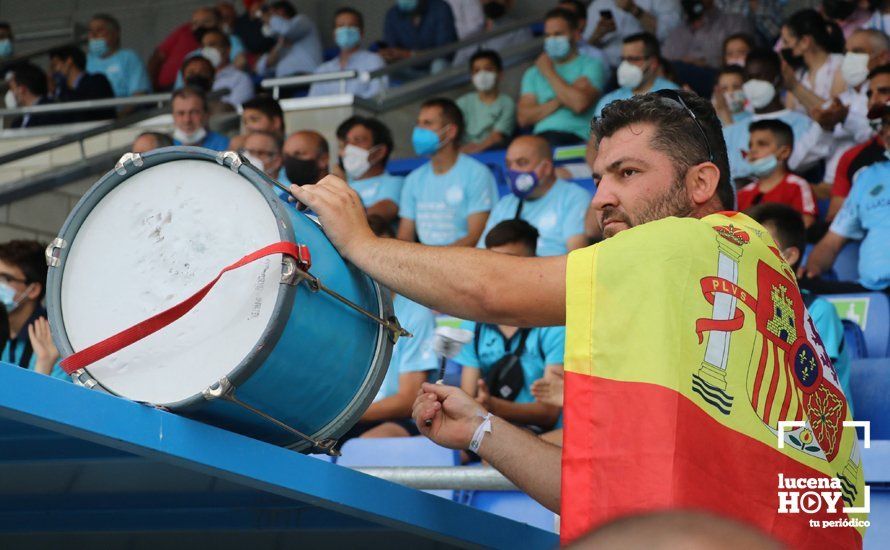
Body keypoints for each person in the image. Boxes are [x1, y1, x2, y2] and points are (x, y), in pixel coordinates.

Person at [289, 90, 864, 548]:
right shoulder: (749, 262)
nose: (601, 198)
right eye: (598, 178)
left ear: (700, 184)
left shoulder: (679, 245)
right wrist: (484, 432)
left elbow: (491, 290)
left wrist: (362, 244)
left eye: (628, 173)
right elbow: (604, 494)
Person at [746, 202, 853, 414]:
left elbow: (813, 387)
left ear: (789, 256)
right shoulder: (748, 308)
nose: (749, 252)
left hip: (822, 432)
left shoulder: (818, 311)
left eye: (759, 244)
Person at [458, 220, 563, 432]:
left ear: (534, 263)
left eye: (511, 262)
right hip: (487, 427)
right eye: (493, 262)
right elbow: (468, 399)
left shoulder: (556, 323)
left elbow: (549, 413)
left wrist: (493, 407)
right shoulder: (472, 323)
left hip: (542, 433)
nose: (500, 271)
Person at [340, 215, 439, 439]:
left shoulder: (416, 314)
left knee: (362, 447)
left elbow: (407, 400)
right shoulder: (340, 305)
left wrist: (346, 415)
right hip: (346, 418)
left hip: (396, 421)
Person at [800, 98, 890, 294]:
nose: (889, 132)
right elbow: (831, 243)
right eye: (886, 124)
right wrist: (812, 268)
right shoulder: (868, 176)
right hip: (873, 291)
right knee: (800, 286)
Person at [790, 28, 890, 190]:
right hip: (832, 189)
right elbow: (796, 161)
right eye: (846, 52)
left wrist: (845, 118)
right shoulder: (837, 103)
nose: (849, 58)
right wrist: (825, 126)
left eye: (857, 51)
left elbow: (880, 134)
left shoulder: (884, 98)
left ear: (883, 57)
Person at [398, 97, 498, 246]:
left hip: (464, 263)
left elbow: (475, 236)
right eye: (418, 123)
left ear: (450, 131)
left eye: (427, 123)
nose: (419, 130)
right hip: (424, 263)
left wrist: (434, 263)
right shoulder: (413, 179)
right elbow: (404, 237)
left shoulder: (477, 174)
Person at [478, 135, 590, 256]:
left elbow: (577, 256)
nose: (513, 170)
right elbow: (482, 253)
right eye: (509, 164)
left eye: (521, 163)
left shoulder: (574, 197)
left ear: (546, 168)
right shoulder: (505, 204)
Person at [518, 8, 605, 147]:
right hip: (540, 138)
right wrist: (566, 97)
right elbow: (524, 118)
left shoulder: (591, 65)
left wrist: (548, 72)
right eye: (548, 35)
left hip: (576, 137)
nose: (552, 40)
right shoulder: (533, 72)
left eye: (558, 34)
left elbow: (579, 104)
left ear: (576, 35)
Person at [722, 49, 815, 181]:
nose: (753, 84)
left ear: (778, 79)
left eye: (760, 77)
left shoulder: (803, 124)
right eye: (749, 78)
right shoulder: (730, 133)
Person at [828, 63, 890, 221]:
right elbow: (835, 219)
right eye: (869, 94)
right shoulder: (851, 157)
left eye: (884, 91)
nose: (873, 100)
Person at [0, 241, 67, 380]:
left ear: (33, 290)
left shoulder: (56, 343)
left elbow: (49, 399)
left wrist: (44, 364)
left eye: (5, 278)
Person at [736, 120, 817, 226]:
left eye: (762, 144)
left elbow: (806, 224)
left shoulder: (797, 186)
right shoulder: (742, 194)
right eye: (750, 145)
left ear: (784, 152)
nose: (753, 150)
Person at [336, 116, 403, 224]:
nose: (349, 148)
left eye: (357, 140)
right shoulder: (343, 183)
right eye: (346, 143)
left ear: (379, 152)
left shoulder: (395, 183)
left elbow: (373, 220)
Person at [593, 32, 678, 117]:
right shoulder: (609, 100)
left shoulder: (671, 95)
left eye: (632, 59)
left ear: (653, 63)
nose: (625, 65)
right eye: (623, 59)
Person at [308, 8, 386, 99]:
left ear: (361, 33)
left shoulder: (374, 61)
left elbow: (377, 96)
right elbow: (313, 102)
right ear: (334, 34)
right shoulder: (323, 70)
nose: (346, 31)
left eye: (352, 26)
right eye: (341, 26)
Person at [780, 9, 847, 115]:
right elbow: (791, 114)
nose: (783, 48)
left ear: (805, 42)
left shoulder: (841, 65)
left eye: (786, 42)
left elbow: (836, 115)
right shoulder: (798, 74)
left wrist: (795, 87)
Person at [583, 0, 682, 67]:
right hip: (606, 67)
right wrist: (598, 34)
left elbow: (668, 36)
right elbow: (583, 47)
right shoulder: (599, 3)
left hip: (645, 66)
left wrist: (634, 9)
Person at [661, 0, 754, 69]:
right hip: (681, 87)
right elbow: (664, 62)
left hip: (721, 79)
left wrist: (703, 63)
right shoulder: (677, 32)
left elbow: (743, 58)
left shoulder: (734, 22)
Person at [456, 50, 515, 153]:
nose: (482, 75)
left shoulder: (507, 103)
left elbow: (497, 136)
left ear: (500, 74)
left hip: (491, 151)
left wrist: (474, 151)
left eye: (488, 69)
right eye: (476, 71)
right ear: (472, 77)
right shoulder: (462, 103)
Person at [149, 6, 220, 90]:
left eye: (206, 22)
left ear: (219, 23)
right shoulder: (185, 31)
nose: (200, 26)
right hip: (165, 89)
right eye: (195, 23)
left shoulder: (225, 43)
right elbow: (158, 56)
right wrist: (152, 85)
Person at [381, 0, 458, 74]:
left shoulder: (440, 8)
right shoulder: (392, 15)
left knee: (439, 65)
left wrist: (409, 54)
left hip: (435, 66)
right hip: (407, 69)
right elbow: (391, 50)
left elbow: (444, 51)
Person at [85, 14, 152, 98]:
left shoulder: (129, 58)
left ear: (115, 34)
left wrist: (119, 112)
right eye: (90, 32)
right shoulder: (84, 61)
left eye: (99, 30)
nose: (93, 36)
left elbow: (139, 96)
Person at [255, 1, 323, 79]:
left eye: (271, 15)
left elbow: (287, 30)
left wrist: (270, 18)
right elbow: (260, 69)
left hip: (307, 78)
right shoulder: (279, 38)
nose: (268, 22)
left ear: (281, 11)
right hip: (284, 83)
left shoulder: (302, 21)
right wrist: (277, 49)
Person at [48, 45, 116, 123]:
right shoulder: (61, 90)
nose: (52, 71)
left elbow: (94, 112)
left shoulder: (97, 81)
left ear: (69, 61)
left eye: (54, 65)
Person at [199, 27, 254, 108]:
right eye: (204, 46)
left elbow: (236, 112)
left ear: (228, 49)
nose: (207, 50)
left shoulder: (239, 79)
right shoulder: (198, 79)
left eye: (212, 45)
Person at [6, 63, 66, 128]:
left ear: (22, 89)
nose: (12, 93)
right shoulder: (18, 122)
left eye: (12, 88)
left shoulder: (49, 113)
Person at [556, 0, 609, 68]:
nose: (557, 21)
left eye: (565, 16)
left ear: (580, 23)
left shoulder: (596, 58)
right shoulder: (547, 53)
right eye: (555, 15)